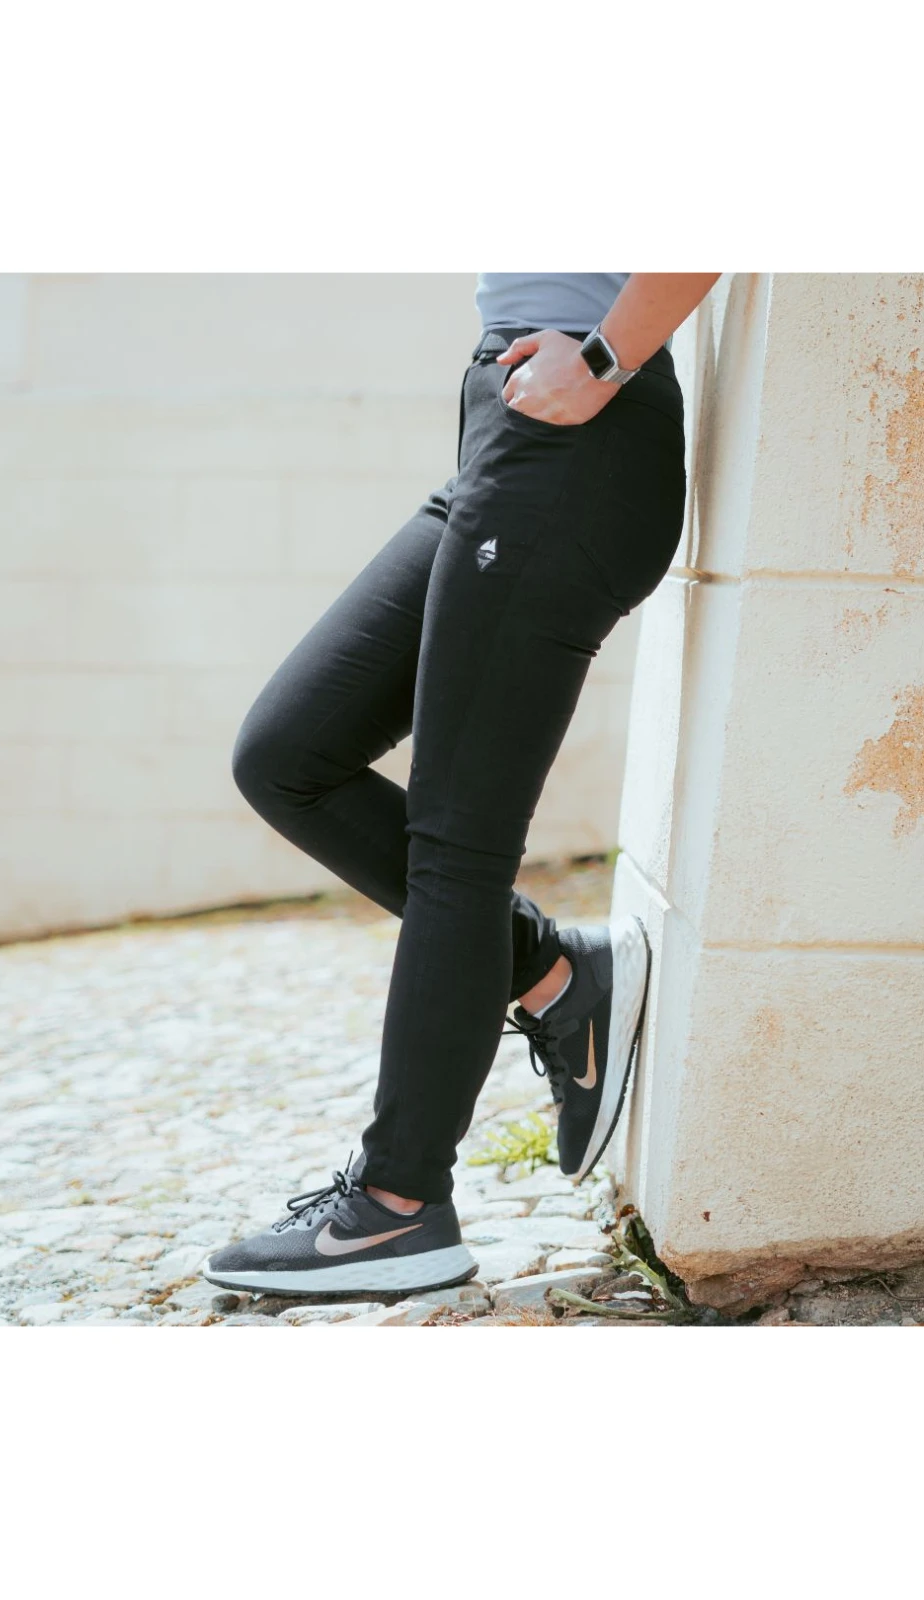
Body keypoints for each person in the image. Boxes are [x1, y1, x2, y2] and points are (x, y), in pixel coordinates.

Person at [205, 272, 721, 1295]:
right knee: (287, 756)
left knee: (457, 843)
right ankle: (555, 976)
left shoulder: (593, 375)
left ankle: (397, 1205)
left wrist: (604, 358)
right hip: (511, 427)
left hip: (577, 427)